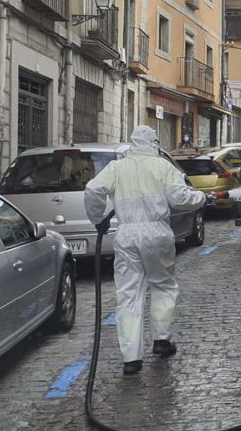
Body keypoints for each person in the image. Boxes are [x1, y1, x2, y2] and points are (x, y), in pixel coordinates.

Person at [84, 126, 207, 375]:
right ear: (154, 143)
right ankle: (161, 340)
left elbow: (93, 190)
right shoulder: (163, 166)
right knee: (163, 286)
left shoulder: (117, 168)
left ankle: (131, 358)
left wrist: (97, 218)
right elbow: (181, 199)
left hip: (127, 234)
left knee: (129, 294)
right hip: (157, 233)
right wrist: (202, 198)